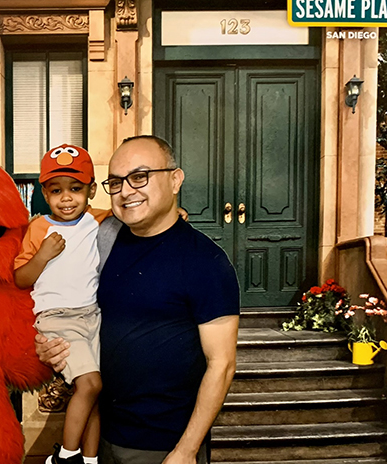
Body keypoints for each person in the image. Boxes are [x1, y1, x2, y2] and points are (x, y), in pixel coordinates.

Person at [36, 135, 240, 464]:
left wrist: (186, 451)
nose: (126, 191)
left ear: (175, 180)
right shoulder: (102, 242)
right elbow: (68, 307)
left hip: (163, 446)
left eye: (140, 177)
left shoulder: (206, 262)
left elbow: (223, 365)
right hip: (101, 438)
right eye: (116, 182)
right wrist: (50, 344)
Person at [15, 144, 111, 464]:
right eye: (56, 190)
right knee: (90, 383)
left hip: (92, 315)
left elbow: (138, 215)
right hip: (57, 317)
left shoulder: (100, 219)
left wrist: (173, 214)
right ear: (44, 192)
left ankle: (90, 460)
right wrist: (42, 255)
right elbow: (20, 278)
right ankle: (65, 457)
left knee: (95, 391)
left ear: (92, 190)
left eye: (76, 189)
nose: (66, 198)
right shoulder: (38, 228)